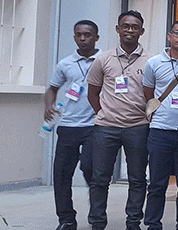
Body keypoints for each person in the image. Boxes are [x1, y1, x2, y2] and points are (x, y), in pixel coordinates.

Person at [86, 10, 151, 230]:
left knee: (137, 179)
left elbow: (154, 95)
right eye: (125, 26)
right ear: (117, 29)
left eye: (134, 27)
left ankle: (133, 222)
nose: (130, 30)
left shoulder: (150, 60)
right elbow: (92, 93)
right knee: (99, 179)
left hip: (138, 127)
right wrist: (104, 114)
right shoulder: (103, 59)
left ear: (141, 31)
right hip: (106, 128)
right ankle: (97, 222)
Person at [142, 19, 178, 230]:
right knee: (157, 183)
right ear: (169, 36)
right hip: (160, 130)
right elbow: (148, 94)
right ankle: (153, 224)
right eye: (176, 33)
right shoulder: (154, 63)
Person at [45, 19, 99, 230]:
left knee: (90, 168)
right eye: (79, 34)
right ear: (74, 37)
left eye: (87, 34)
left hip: (95, 125)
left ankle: (97, 215)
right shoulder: (65, 63)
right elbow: (52, 88)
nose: (83, 38)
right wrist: (48, 106)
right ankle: (66, 219)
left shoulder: (104, 60)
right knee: (61, 174)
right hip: (67, 126)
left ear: (96, 37)